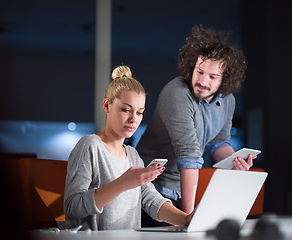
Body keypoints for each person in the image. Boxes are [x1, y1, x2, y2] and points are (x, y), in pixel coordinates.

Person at [136, 25, 256, 218]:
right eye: (199, 72)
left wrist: (236, 162)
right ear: (192, 66)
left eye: (212, 76)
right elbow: (188, 155)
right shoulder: (177, 93)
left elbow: (218, 142)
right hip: (150, 189)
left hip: (181, 188)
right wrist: (187, 218)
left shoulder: (228, 100)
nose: (203, 81)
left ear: (225, 79)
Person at [63, 66, 194, 230]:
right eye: (126, 110)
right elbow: (72, 207)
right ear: (107, 105)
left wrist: (186, 219)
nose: (134, 119)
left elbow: (150, 199)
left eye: (139, 112)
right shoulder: (90, 145)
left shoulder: (132, 155)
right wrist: (123, 183)